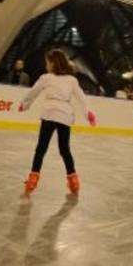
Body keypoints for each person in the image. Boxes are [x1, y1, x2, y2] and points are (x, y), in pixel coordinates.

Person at [19, 49, 97, 197]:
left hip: (49, 113)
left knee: (41, 149)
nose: (46, 65)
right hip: (65, 115)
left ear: (53, 63)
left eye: (47, 63)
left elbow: (32, 92)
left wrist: (24, 104)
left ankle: (33, 179)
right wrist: (89, 114)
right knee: (64, 149)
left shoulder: (46, 78)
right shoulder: (72, 80)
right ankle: (73, 180)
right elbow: (82, 98)